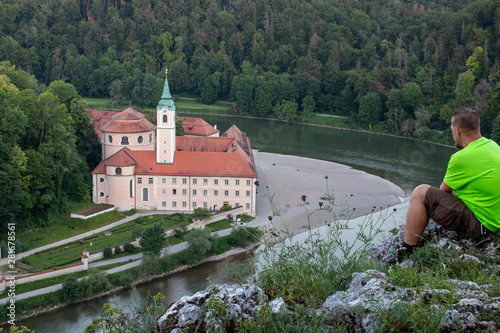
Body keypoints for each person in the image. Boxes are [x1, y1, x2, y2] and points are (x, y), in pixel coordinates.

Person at [397, 107, 500, 261]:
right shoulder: (494, 146)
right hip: (494, 222)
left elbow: (441, 195)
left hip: (480, 227)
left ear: (457, 131)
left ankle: (406, 251)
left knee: (420, 192)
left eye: (452, 129)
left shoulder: (462, 158)